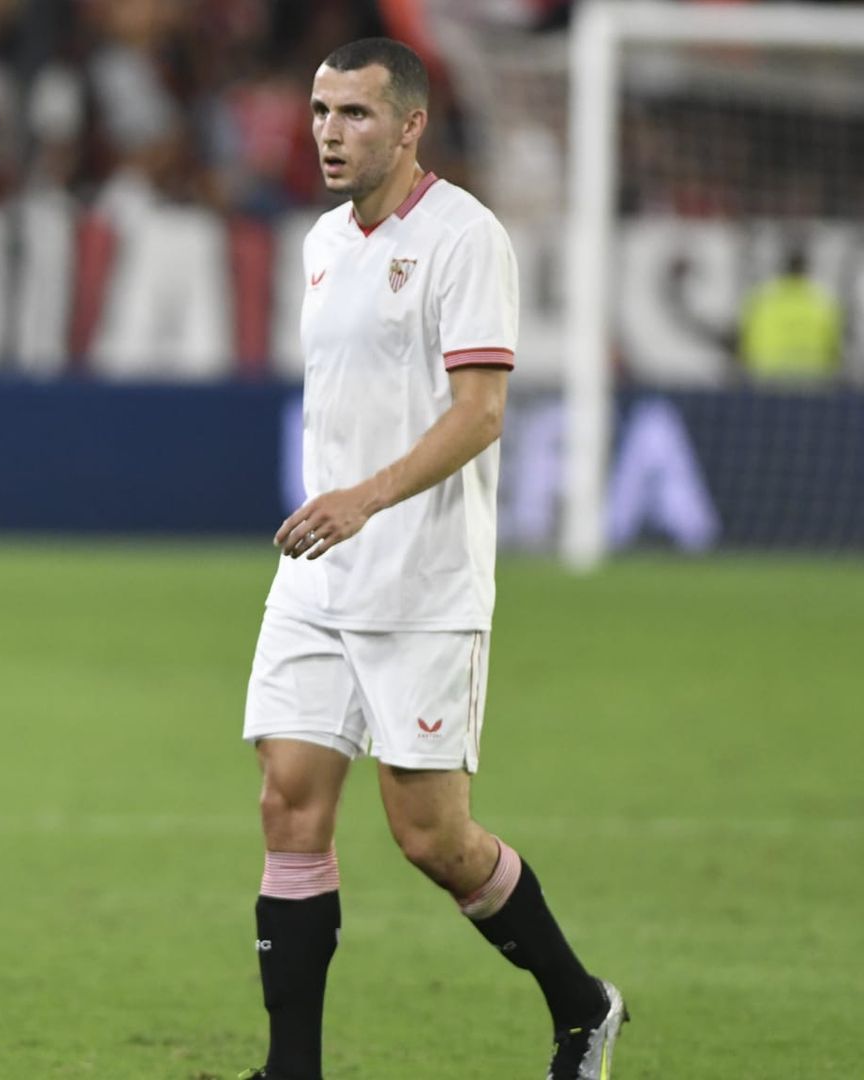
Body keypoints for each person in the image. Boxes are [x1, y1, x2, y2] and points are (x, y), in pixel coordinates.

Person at [236, 39, 624, 1080]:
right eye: (321, 111)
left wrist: (364, 498)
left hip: (421, 580)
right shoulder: (322, 241)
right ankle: (291, 1069)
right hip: (319, 573)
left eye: (356, 114)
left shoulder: (465, 237)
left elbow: (481, 412)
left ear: (411, 126)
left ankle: (583, 1004)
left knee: (431, 840)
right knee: (288, 802)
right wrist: (338, 510)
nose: (329, 133)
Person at [738, 245, 843, 384]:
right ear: (806, 271)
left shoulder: (761, 300)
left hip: (768, 374)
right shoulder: (824, 302)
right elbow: (835, 347)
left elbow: (744, 342)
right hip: (813, 374)